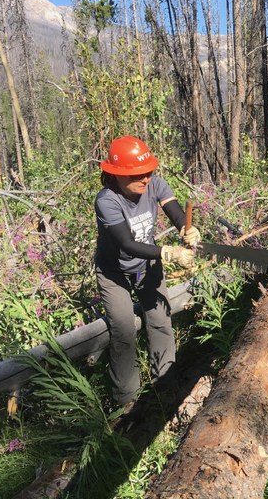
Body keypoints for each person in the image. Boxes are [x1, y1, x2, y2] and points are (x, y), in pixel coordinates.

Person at [95, 135, 201, 408]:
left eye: (148, 172)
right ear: (117, 174)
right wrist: (168, 252)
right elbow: (127, 244)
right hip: (114, 272)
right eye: (137, 175)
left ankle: (165, 387)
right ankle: (126, 403)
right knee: (123, 330)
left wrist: (185, 228)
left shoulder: (155, 184)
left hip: (146, 266)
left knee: (160, 320)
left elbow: (174, 211)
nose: (145, 179)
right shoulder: (107, 200)